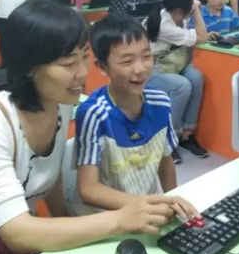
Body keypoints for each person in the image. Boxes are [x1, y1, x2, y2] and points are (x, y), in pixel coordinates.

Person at [0, 0, 177, 254]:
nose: (83, 73)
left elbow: (48, 172)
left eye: (84, 56)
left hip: (11, 250)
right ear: (29, 66)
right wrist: (120, 219)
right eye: (68, 63)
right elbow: (17, 232)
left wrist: (65, 220)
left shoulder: (60, 103)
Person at [74, 13, 200, 221]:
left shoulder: (161, 102)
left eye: (146, 56)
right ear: (102, 67)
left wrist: (172, 201)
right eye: (127, 61)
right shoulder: (93, 113)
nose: (140, 69)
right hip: (110, 218)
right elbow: (88, 189)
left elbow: (165, 161)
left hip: (150, 211)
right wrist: (145, 205)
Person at [144, 0, 209, 164]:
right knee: (182, 85)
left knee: (196, 77)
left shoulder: (178, 17)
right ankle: (168, 140)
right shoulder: (164, 25)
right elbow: (202, 37)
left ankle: (186, 135)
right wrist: (197, 11)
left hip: (174, 65)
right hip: (152, 71)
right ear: (180, 10)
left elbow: (200, 35)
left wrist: (192, 10)